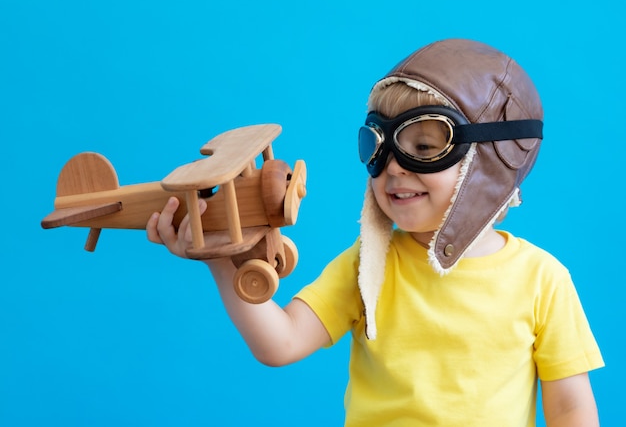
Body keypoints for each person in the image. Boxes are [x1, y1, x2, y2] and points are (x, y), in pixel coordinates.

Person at [147, 38, 604, 426]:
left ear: (486, 161)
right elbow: (280, 342)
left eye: (425, 146)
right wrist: (222, 258)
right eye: (378, 145)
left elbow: (569, 407)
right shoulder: (370, 261)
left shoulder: (543, 280)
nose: (393, 170)